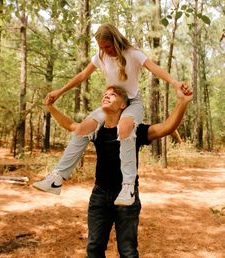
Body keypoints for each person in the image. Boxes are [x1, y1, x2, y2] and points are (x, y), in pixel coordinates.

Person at [33, 23, 188, 205]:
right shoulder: (101, 56)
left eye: (108, 46)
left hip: (132, 102)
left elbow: (154, 68)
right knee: (83, 128)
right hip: (112, 101)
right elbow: (82, 75)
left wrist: (175, 83)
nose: (105, 51)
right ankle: (57, 178)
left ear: (116, 40)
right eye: (101, 48)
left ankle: (128, 186)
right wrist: (60, 91)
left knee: (125, 126)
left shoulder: (133, 53)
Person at [40, 84, 192, 258]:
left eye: (112, 94)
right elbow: (72, 126)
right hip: (100, 195)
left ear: (123, 105)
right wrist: (51, 107)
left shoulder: (135, 130)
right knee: (94, 248)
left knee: (127, 252)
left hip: (127, 196)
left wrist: (183, 102)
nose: (107, 95)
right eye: (105, 94)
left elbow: (167, 127)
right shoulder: (97, 129)